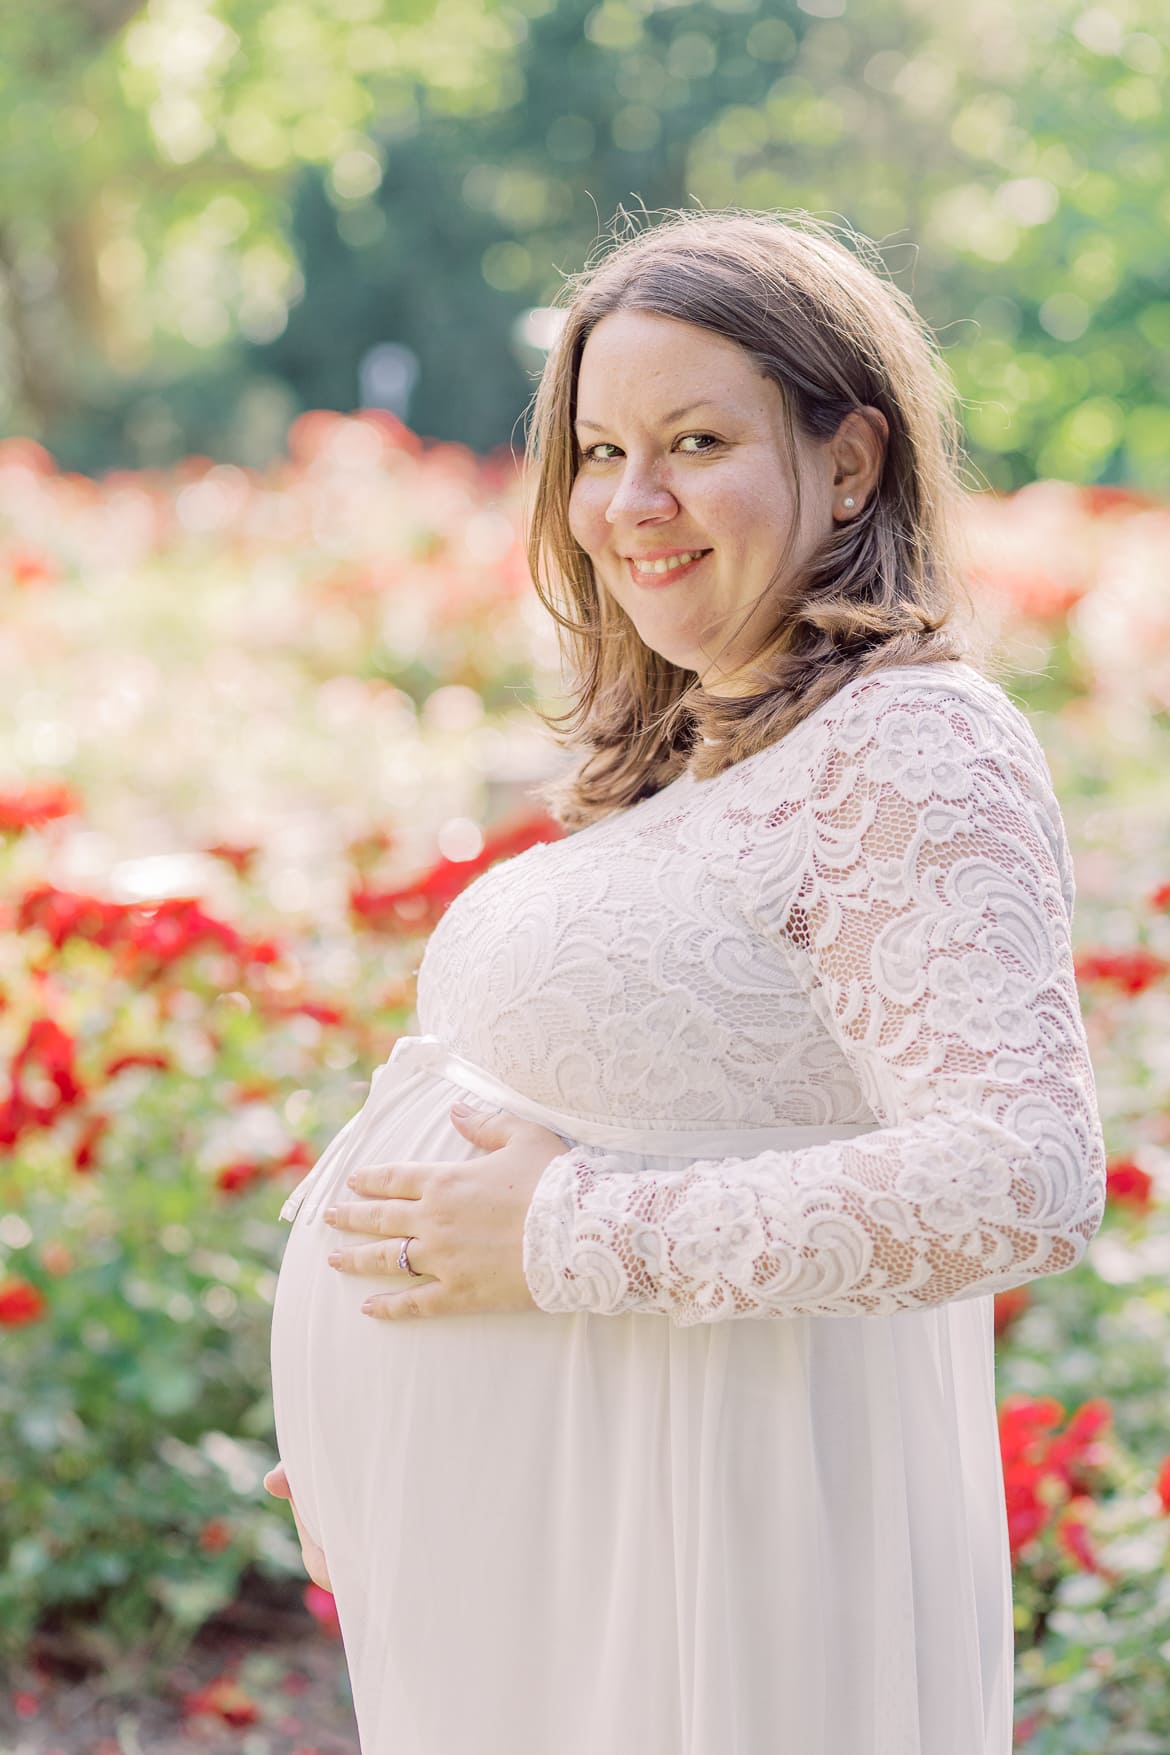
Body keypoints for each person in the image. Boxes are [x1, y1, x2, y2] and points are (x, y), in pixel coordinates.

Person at [266, 207, 1106, 1755]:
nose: (629, 502)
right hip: (554, 1533)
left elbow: (1022, 1173)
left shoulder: (914, 744)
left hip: (705, 1545)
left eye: (695, 441)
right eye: (595, 451)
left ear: (849, 462)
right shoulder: (701, 764)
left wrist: (564, 1235)